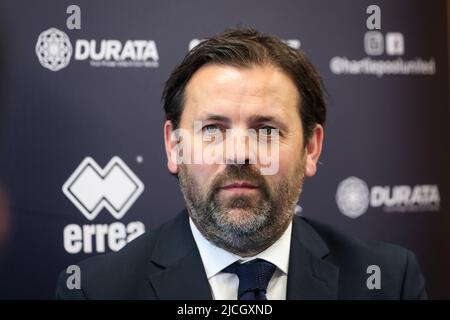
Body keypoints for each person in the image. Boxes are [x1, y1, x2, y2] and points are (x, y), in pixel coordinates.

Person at [56, 27, 426, 300]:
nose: (238, 153)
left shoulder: (389, 283)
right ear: (174, 147)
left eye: (266, 129)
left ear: (311, 149)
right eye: (213, 129)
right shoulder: (96, 291)